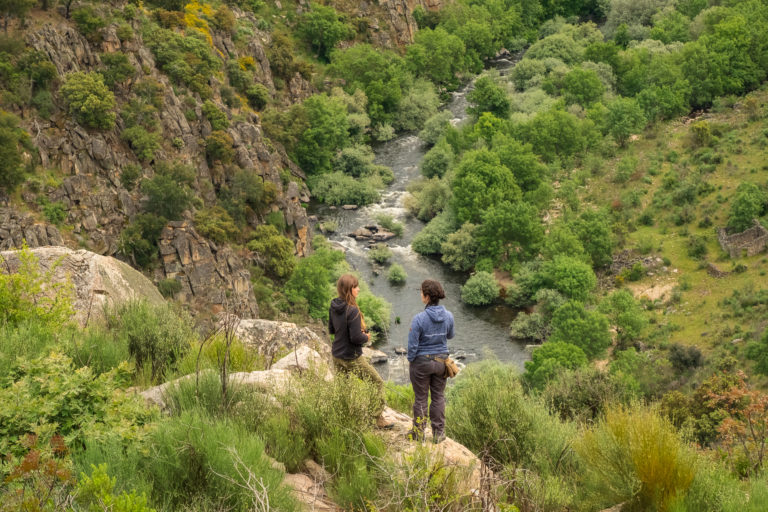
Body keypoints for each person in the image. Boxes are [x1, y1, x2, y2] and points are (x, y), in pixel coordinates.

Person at [329, 274, 393, 429]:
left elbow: (331, 329)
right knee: (377, 383)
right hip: (352, 357)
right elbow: (356, 338)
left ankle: (342, 419)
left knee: (342, 388)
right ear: (348, 290)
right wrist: (366, 337)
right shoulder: (353, 311)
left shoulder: (334, 305)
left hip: (337, 354)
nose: (358, 289)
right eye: (355, 287)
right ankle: (377, 418)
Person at [407, 279, 454, 443]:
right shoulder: (449, 316)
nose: (421, 295)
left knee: (420, 398)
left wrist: (411, 361)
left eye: (421, 293)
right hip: (441, 362)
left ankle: (419, 435)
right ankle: (439, 434)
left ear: (427, 297)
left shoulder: (419, 319)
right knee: (438, 397)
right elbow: (450, 335)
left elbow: (412, 346)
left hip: (422, 362)